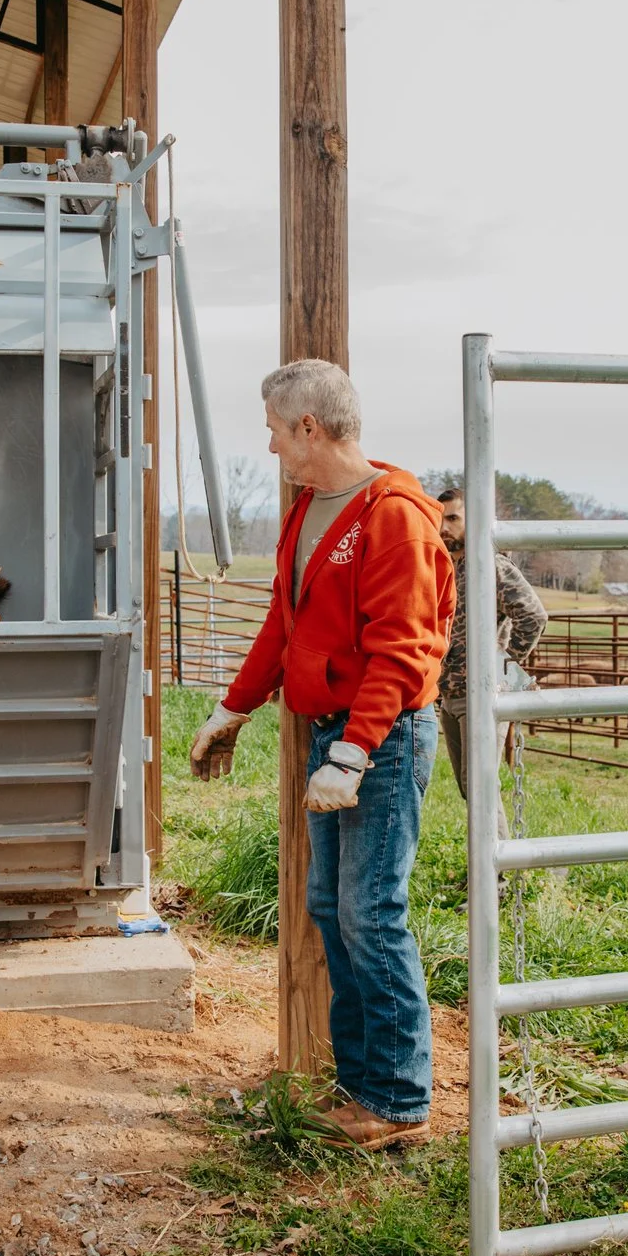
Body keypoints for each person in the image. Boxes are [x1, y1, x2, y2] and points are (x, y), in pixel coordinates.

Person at [187, 360, 453, 1150]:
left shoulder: (393, 515)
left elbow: (402, 651)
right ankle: (362, 1082)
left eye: (274, 429)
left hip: (382, 735)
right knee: (334, 908)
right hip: (337, 734)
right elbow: (286, 621)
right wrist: (235, 706)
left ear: (309, 426)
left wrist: (355, 751)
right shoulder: (308, 510)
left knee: (373, 910)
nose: (270, 446)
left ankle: (399, 1098)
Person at [431, 485, 547, 804]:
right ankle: (490, 854)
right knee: (471, 791)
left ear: (476, 519)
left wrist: (503, 669)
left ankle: (500, 854)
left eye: (453, 518)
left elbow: (533, 616)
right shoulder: (446, 569)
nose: (444, 527)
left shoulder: (490, 566)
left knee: (481, 791)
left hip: (482, 694)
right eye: (439, 518)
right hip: (450, 694)